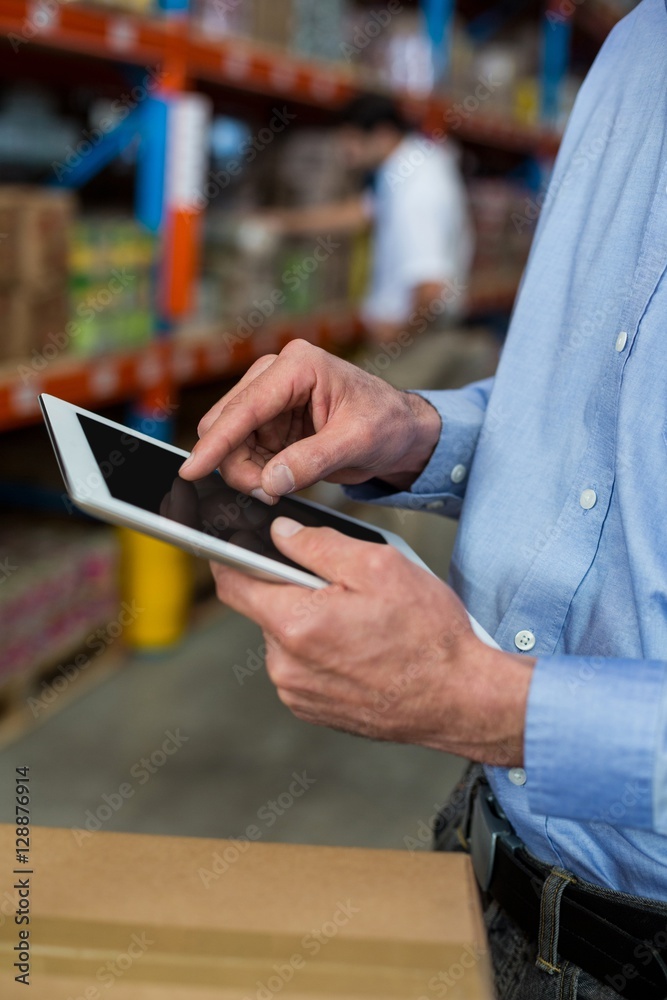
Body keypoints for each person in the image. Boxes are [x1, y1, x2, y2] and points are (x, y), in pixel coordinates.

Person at [181, 2, 667, 996]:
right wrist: (419, 432)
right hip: (486, 861)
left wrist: (490, 705)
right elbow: (597, 426)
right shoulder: (636, 50)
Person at [265, 93, 474, 343]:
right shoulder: (405, 168)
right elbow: (359, 213)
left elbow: (430, 288)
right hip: (411, 331)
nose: (345, 151)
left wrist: (398, 338)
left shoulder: (417, 188)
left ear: (382, 134)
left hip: (417, 339)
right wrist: (283, 222)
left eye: (351, 140)